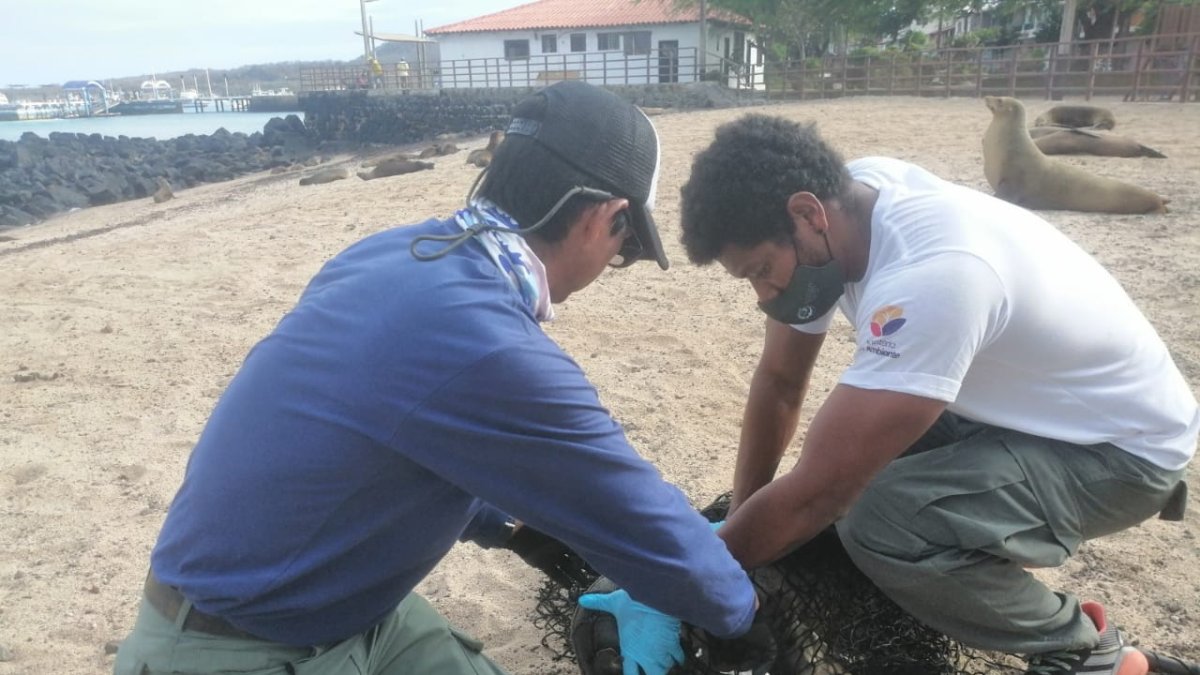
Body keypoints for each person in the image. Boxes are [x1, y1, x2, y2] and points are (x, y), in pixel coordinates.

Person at [112, 81, 758, 675]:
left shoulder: (391, 253)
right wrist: (742, 622)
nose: (615, 259)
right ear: (603, 218)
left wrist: (510, 527)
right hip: (227, 647)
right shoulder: (483, 341)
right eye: (626, 247)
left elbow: (392, 433)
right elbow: (636, 513)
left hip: (349, 610)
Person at [676, 114, 1196, 675]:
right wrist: (734, 527)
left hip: (1120, 451)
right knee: (828, 499)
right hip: (1024, 407)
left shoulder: (933, 277)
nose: (764, 294)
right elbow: (780, 383)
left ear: (806, 214)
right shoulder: (853, 200)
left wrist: (691, 583)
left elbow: (818, 493)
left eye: (761, 270)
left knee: (882, 518)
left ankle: (1088, 653)